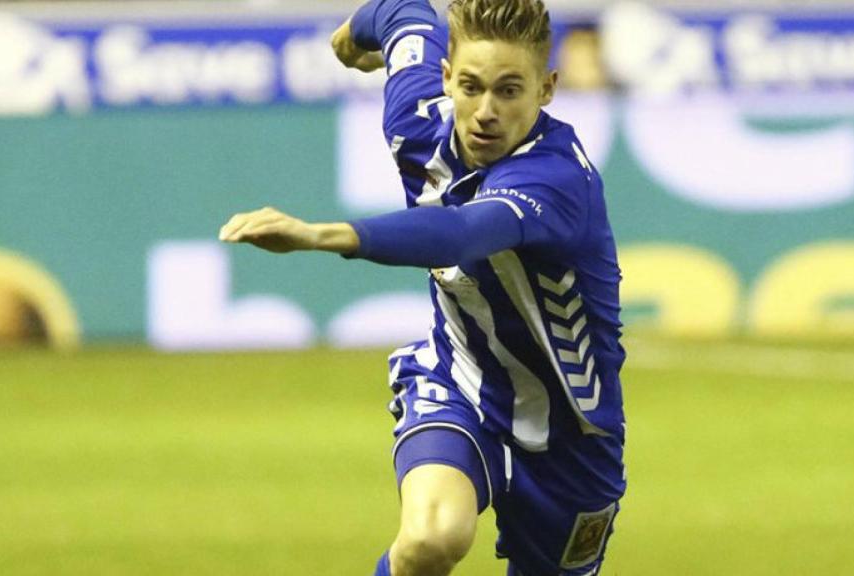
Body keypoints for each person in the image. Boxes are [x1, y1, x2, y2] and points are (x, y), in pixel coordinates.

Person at [219, 1, 626, 574]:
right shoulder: (417, 115)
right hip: (461, 383)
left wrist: (318, 235)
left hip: (573, 437)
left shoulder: (556, 179)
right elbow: (402, 14)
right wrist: (350, 39)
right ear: (445, 79)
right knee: (431, 540)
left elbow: (459, 233)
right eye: (471, 86)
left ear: (547, 89)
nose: (485, 111)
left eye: (510, 91)